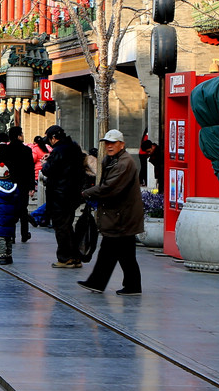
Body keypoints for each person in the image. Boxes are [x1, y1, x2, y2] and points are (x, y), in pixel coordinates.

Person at [77, 130, 143, 295]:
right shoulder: (111, 160)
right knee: (125, 253)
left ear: (122, 144)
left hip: (122, 216)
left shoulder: (124, 163)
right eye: (107, 143)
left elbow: (110, 187)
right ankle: (132, 285)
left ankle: (98, 282)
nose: (109, 146)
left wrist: (87, 193)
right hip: (118, 214)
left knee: (110, 249)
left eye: (113, 143)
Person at [41, 126, 90, 268]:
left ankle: (65, 258)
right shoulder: (74, 147)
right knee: (68, 225)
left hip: (59, 194)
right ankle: (75, 257)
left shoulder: (58, 151)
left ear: (53, 138)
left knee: (61, 226)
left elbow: (48, 170)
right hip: (73, 193)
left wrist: (46, 163)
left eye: (49, 140)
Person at [0, 126, 34, 245]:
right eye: (21, 134)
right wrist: (31, 186)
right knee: (23, 210)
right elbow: (30, 169)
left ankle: (11, 235)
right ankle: (24, 234)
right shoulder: (26, 150)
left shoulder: (4, 150)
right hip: (23, 184)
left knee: (10, 210)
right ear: (18, 136)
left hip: (8, 184)